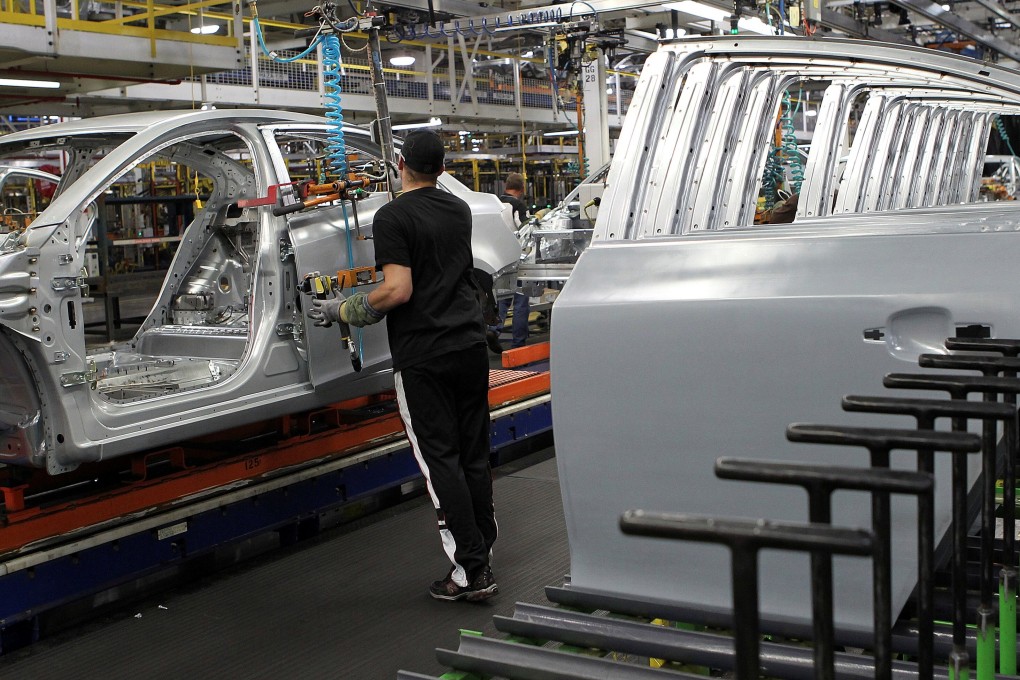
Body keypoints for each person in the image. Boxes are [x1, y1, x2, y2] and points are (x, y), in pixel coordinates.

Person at [307, 130, 498, 602]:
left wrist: (341, 310)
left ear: (400, 164)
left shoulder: (392, 216)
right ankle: (483, 550)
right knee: (472, 453)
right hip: (469, 346)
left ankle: (471, 571)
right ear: (441, 166)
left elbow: (397, 290)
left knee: (441, 463)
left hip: (424, 355)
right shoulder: (459, 208)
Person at [487, 172, 531, 353]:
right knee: (521, 302)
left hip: (498, 259)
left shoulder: (494, 204)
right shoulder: (518, 205)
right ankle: (518, 346)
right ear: (521, 189)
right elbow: (526, 229)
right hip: (518, 258)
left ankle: (494, 330)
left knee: (503, 300)